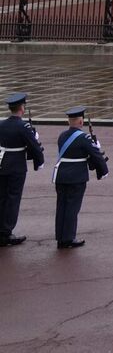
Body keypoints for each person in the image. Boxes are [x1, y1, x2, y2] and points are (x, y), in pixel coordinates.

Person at [51, 107, 108, 250]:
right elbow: (95, 156)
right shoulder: (84, 138)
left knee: (62, 207)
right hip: (76, 177)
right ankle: (68, 238)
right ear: (81, 121)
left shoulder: (62, 136)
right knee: (72, 208)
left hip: (61, 175)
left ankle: (60, 237)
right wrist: (103, 171)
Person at [1, 93, 44, 247]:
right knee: (13, 199)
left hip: (2, 164)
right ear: (22, 108)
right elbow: (34, 147)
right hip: (16, 166)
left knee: (2, 198)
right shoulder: (23, 126)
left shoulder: (1, 124)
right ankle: (6, 233)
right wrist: (39, 162)